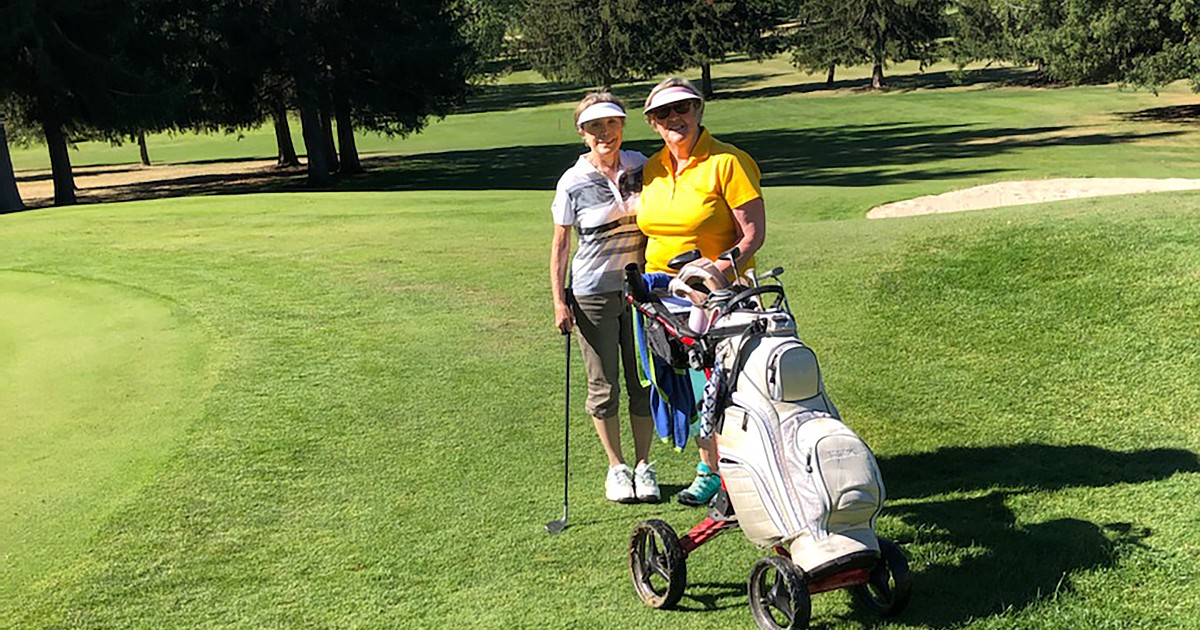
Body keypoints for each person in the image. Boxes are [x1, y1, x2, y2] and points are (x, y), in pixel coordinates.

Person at [637, 77, 766, 506]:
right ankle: (714, 468)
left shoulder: (728, 162)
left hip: (718, 296)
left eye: (683, 108)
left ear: (699, 110)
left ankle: (724, 470)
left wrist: (715, 271)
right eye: (663, 114)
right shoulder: (653, 168)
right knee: (688, 386)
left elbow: (752, 235)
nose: (675, 119)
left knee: (722, 385)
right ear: (653, 123)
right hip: (663, 295)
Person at [550, 92, 659, 503]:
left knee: (643, 380)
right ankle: (617, 467)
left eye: (611, 123)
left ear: (622, 126)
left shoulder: (641, 165)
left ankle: (645, 465)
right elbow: (561, 244)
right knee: (604, 385)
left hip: (639, 291)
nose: (605, 133)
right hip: (592, 292)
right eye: (595, 126)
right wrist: (560, 301)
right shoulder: (573, 181)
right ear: (582, 133)